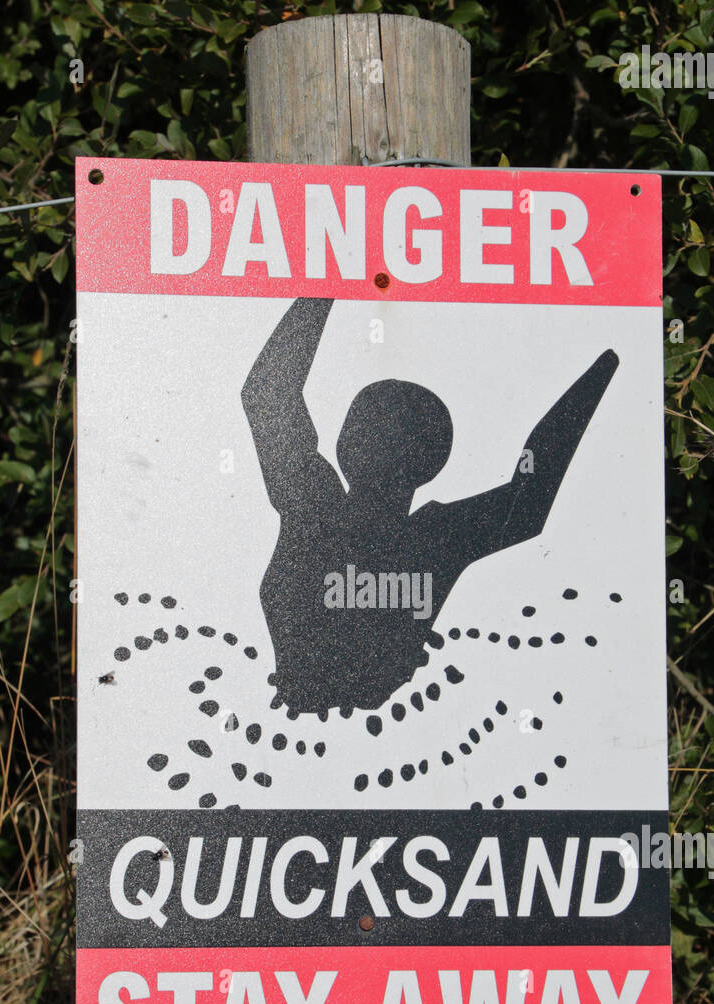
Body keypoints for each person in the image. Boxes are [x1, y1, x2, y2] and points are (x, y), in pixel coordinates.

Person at [241, 297, 618, 716]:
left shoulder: (314, 500)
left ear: (346, 443)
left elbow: (267, 394)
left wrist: (324, 286)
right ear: (431, 464)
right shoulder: (438, 536)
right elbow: (528, 498)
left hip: (309, 700)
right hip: (355, 705)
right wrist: (602, 369)